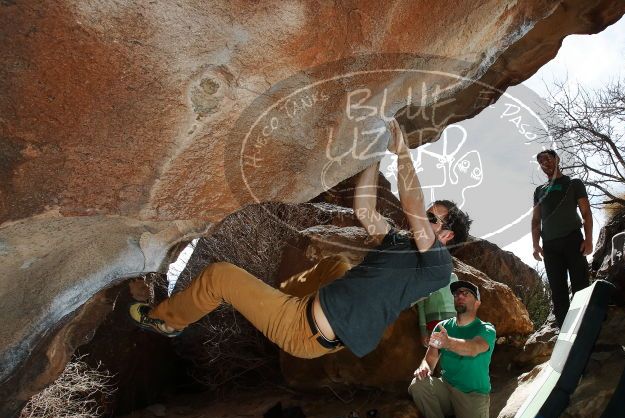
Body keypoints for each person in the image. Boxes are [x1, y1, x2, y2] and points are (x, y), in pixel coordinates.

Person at [129, 118, 472, 359]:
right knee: (336, 264)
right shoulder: (399, 243)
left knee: (219, 276)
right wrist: (374, 156)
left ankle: (165, 321)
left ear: (447, 234)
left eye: (432, 218)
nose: (423, 219)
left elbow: (412, 207)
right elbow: (365, 210)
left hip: (301, 329)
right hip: (305, 308)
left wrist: (402, 153)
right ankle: (275, 292)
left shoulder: (438, 266)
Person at [408, 280, 496, 418]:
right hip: (447, 388)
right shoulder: (443, 327)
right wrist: (424, 368)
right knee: (418, 385)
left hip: (473, 393)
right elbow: (430, 358)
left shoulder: (486, 329)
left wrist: (448, 343)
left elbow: (473, 348)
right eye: (457, 294)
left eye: (466, 293)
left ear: (477, 302)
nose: (460, 296)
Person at [531, 149, 593, 327]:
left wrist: (588, 239)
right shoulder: (539, 191)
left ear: (557, 159)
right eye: (541, 161)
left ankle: (585, 327)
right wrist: (535, 244)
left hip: (573, 240)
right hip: (550, 246)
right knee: (557, 291)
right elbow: (536, 220)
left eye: (548, 159)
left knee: (580, 285)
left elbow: (586, 213)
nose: (545, 163)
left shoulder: (573, 183)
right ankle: (564, 332)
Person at [416, 272, 458, 347]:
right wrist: (423, 331)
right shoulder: (422, 279)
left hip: (451, 323)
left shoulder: (452, 277)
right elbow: (420, 305)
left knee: (452, 354)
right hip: (432, 325)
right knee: (435, 354)